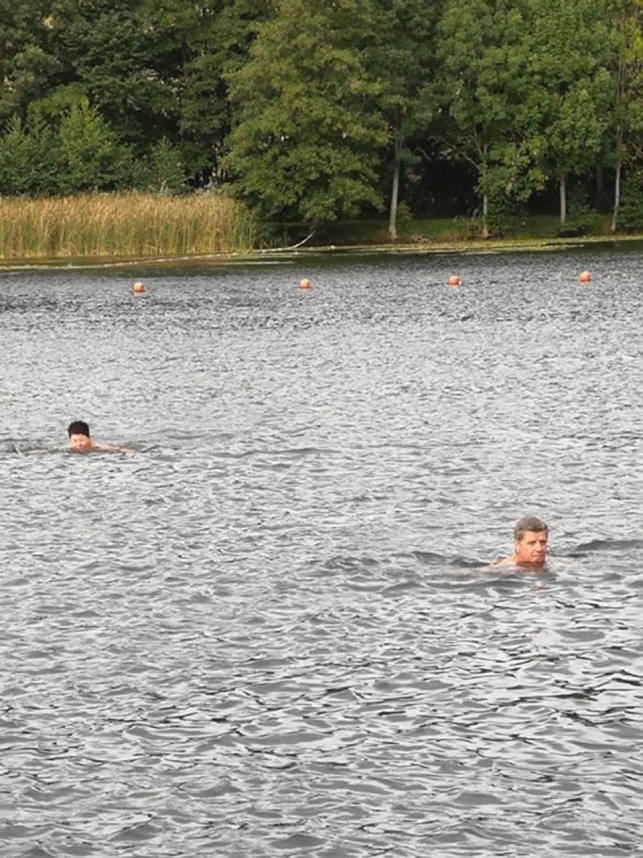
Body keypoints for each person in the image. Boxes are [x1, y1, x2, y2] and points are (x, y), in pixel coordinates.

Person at [67, 420, 133, 454]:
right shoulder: (66, 449)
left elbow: (118, 449)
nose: (79, 444)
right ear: (70, 441)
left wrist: (129, 453)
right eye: (75, 441)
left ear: (89, 439)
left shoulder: (99, 447)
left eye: (82, 440)